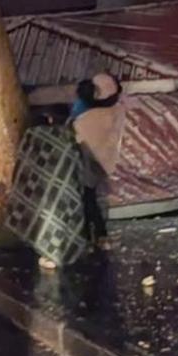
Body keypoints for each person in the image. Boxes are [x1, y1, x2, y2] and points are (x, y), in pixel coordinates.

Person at [72, 72, 126, 247]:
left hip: (88, 159)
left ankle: (91, 234)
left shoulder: (85, 114)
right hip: (98, 159)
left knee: (88, 197)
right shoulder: (112, 111)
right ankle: (97, 234)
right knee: (89, 197)